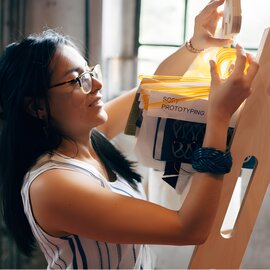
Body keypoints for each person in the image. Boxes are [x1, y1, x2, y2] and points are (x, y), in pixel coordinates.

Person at [0, 0, 259, 269]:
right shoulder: (53, 185)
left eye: (90, 71)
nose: (98, 85)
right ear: (37, 107)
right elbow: (188, 228)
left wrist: (195, 43)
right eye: (79, 79)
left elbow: (147, 97)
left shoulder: (84, 140)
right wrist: (218, 117)